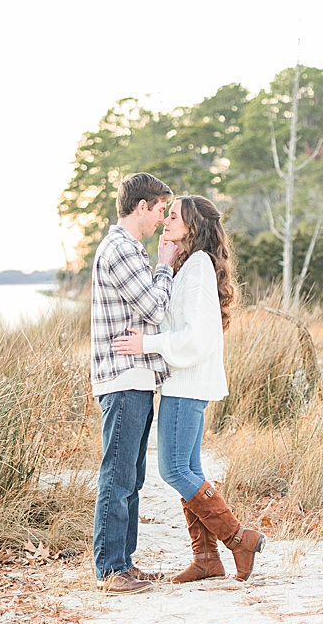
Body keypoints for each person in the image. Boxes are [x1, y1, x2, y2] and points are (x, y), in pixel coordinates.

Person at [112, 194, 266, 583]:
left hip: (187, 382)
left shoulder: (197, 268)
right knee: (191, 469)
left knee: (175, 469)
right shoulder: (192, 266)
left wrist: (146, 344)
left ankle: (238, 538)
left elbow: (193, 337)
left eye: (175, 217)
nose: (167, 221)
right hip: (186, 381)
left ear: (193, 226)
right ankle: (206, 560)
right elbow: (174, 320)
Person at [89, 172, 178, 595]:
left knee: (133, 476)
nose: (163, 219)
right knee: (118, 475)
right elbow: (156, 310)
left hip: (136, 377)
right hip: (124, 378)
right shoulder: (123, 250)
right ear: (141, 206)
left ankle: (123, 562)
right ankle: (109, 570)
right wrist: (165, 266)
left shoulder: (127, 250)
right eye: (161, 209)